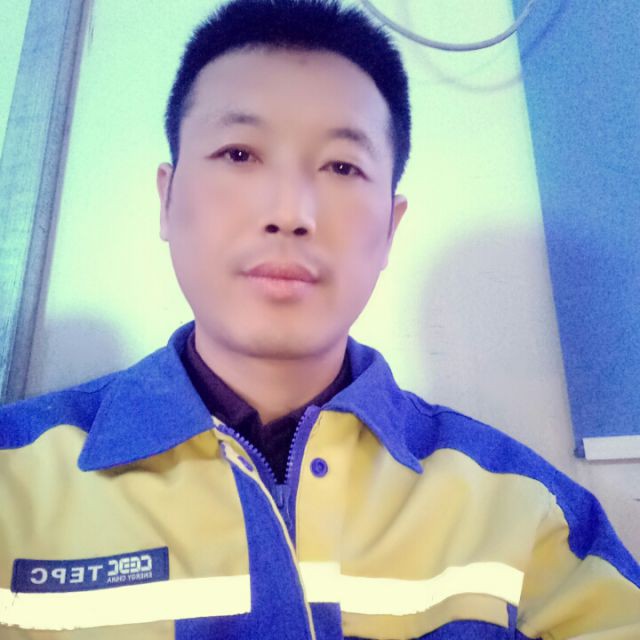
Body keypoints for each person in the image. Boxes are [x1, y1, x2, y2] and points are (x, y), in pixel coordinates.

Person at [1, 0, 638, 637]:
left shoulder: (522, 510)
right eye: (239, 153)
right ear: (166, 200)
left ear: (390, 230)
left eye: (342, 166)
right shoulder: (15, 480)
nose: (290, 212)